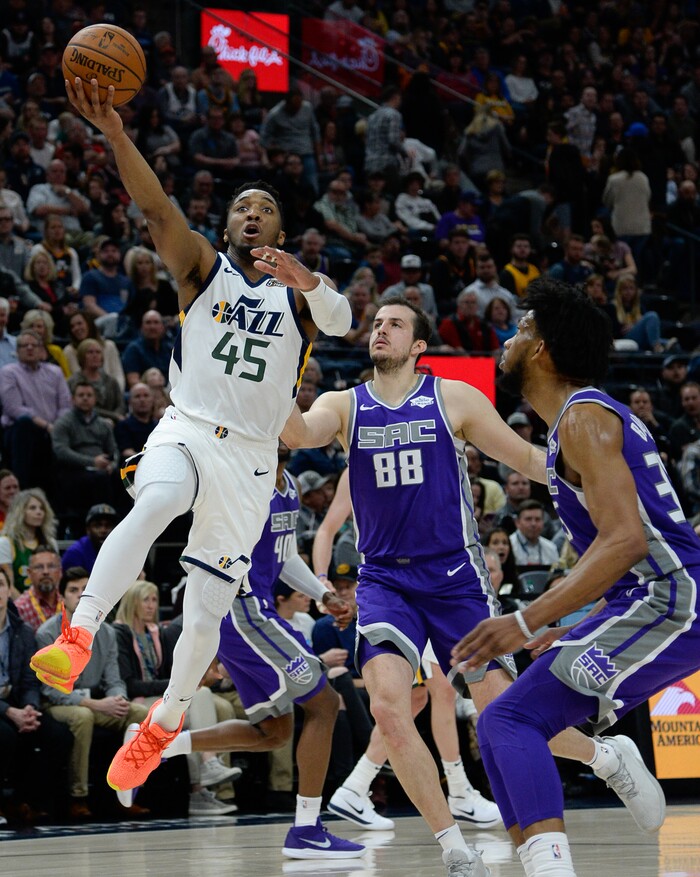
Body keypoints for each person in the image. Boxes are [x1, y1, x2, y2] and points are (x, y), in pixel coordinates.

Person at [32, 75, 352, 799]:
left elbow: (341, 323)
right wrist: (116, 133)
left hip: (251, 459)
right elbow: (155, 208)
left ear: (279, 233)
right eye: (242, 206)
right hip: (186, 428)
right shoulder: (202, 269)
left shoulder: (300, 298)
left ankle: (166, 721)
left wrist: (307, 278)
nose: (251, 214)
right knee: (155, 502)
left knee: (206, 607)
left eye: (265, 209)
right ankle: (79, 633)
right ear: (229, 225)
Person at [282, 296, 650, 877]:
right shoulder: (344, 404)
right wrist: (276, 364)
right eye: (376, 323)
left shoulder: (452, 397)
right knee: (387, 706)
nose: (381, 330)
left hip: (454, 577)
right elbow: (297, 433)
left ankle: (603, 756)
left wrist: (606, 476)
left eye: (395, 324)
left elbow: (528, 458)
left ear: (418, 345)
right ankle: (455, 849)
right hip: (385, 580)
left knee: (501, 711)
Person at [452, 278, 695, 877]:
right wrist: (579, 624)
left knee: (513, 720)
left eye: (521, 329)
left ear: (542, 349)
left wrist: (524, 619)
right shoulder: (573, 423)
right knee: (497, 723)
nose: (508, 339)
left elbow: (626, 540)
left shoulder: (585, 417)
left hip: (673, 599)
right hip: (645, 597)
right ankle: (594, 781)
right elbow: (631, 548)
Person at [162, 442, 364, 858]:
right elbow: (203, 558)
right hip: (241, 609)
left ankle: (165, 745)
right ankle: (307, 829)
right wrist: (204, 640)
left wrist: (322, 595)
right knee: (325, 703)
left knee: (274, 732)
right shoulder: (241, 484)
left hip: (257, 611)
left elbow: (284, 556)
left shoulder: (288, 485)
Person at [312, 468, 501, 831]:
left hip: (424, 583)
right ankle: (458, 791)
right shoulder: (358, 467)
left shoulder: (420, 451)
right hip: (394, 591)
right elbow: (326, 529)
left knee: (416, 699)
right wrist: (321, 582)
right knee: (438, 691)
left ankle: (356, 787)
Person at [35, 567, 149, 821]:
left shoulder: (107, 632)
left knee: (139, 713)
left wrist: (118, 699)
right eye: (73, 590)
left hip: (99, 702)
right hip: (59, 704)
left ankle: (129, 790)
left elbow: (114, 679)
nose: (80, 595)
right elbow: (51, 690)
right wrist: (95, 704)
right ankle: (78, 797)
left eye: (85, 590)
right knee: (83, 716)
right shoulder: (47, 633)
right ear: (63, 597)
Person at [0, 566, 73, 826]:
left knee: (58, 734)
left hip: (17, 703)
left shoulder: (23, 631)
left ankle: (32, 802)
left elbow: (31, 680)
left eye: (1, 585)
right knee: (5, 735)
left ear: (9, 590)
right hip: (4, 709)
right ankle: (5, 802)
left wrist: (29, 707)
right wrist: (9, 712)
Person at [0, 329, 72, 492]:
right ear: (17, 351)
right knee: (24, 425)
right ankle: (21, 491)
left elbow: (65, 406)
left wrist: (57, 427)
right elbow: (13, 408)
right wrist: (46, 425)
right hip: (19, 433)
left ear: (42, 350)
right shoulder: (8, 372)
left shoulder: (55, 372)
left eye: (34, 345)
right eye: (25, 345)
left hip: (53, 430)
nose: (30, 348)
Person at [0, 488, 58, 598]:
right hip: (16, 603)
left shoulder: (51, 543)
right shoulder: (5, 543)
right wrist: (26, 606)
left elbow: (56, 578)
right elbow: (9, 586)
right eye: (32, 508)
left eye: (41, 508)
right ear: (20, 512)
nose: (39, 512)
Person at [13, 546, 64, 632]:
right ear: (29, 573)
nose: (46, 572)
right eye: (39, 567)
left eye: (51, 566)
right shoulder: (19, 609)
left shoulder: (69, 602)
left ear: (60, 571)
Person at [61, 504, 117, 573]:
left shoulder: (121, 549)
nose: (103, 530)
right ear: (88, 529)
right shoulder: (74, 553)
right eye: (97, 525)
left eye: (108, 525)